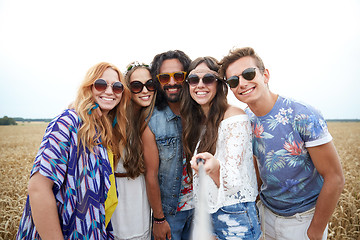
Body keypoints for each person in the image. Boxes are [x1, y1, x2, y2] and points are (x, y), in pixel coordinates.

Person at [219, 47, 345, 240]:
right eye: (234, 81)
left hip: (303, 220)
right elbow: (256, 164)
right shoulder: (246, 120)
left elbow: (334, 177)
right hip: (266, 215)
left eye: (248, 74)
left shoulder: (302, 114)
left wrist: (315, 230)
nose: (242, 84)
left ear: (265, 75)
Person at [16, 62, 130, 239]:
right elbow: (38, 188)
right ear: (88, 87)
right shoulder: (68, 122)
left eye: (117, 87)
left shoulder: (103, 133)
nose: (109, 91)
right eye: (101, 84)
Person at [180, 57, 261, 240]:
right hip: (206, 213)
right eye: (194, 79)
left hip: (234, 214)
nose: (200, 85)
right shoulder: (198, 121)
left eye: (208, 78)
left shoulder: (234, 118)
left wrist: (214, 167)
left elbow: (232, 182)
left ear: (219, 84)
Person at [141, 50, 194, 240]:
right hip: (171, 214)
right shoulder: (152, 122)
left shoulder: (199, 113)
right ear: (158, 81)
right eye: (165, 77)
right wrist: (159, 219)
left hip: (201, 211)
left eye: (178, 76)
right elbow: (151, 175)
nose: (172, 82)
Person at [111, 61, 156, 240]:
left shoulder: (152, 118)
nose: (145, 90)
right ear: (127, 88)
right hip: (117, 196)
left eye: (150, 85)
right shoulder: (114, 117)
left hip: (140, 195)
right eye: (137, 86)